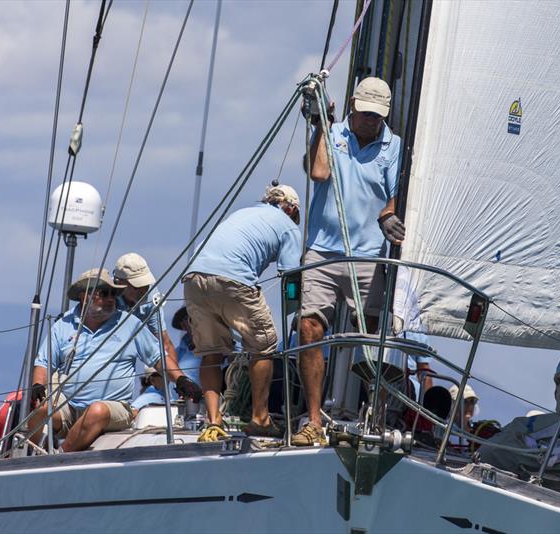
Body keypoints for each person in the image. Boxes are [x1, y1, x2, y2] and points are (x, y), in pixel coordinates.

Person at [296, 76, 404, 446]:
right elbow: (318, 172)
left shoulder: (394, 146)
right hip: (323, 251)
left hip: (368, 255)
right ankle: (312, 420)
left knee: (375, 337)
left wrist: (389, 215)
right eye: (365, 114)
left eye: (377, 116)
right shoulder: (334, 133)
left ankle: (376, 414)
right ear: (352, 106)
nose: (370, 121)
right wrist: (319, 127)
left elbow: (394, 196)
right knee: (309, 329)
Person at [28, 268, 201, 452]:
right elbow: (44, 362)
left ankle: (59, 458)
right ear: (85, 296)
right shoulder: (63, 325)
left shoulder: (130, 323)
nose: (111, 298)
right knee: (39, 412)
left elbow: (159, 358)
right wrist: (38, 385)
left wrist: (182, 380)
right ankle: (42, 454)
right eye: (104, 293)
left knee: (97, 411)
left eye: (114, 293)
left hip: (113, 408)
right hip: (69, 406)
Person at [182, 184, 301, 442]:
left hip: (193, 278)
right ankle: (260, 418)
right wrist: (297, 314)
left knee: (210, 351)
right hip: (233, 279)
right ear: (291, 209)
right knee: (264, 345)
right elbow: (291, 279)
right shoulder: (289, 226)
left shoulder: (245, 213)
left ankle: (213, 422)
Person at [113, 253, 177, 362]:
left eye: (145, 284)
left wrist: (179, 378)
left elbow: (164, 342)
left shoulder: (152, 296)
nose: (144, 290)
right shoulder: (105, 297)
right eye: (138, 286)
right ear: (119, 283)